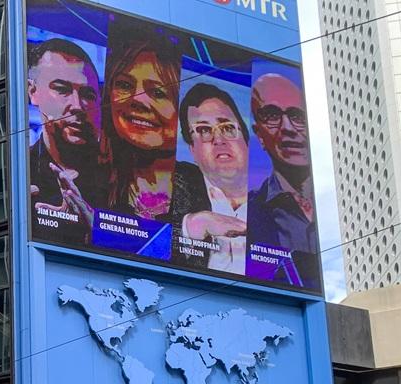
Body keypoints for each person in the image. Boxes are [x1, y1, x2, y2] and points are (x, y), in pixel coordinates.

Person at [247, 72, 320, 289]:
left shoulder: (341, 207)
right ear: (259, 135)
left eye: (297, 116)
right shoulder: (248, 214)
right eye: (272, 115)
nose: (287, 127)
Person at [27, 37, 104, 240]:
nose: (78, 106)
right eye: (62, 89)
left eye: (88, 95)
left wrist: (96, 233)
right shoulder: (21, 174)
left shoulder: (123, 181)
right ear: (33, 92)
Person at [100, 30, 181, 221]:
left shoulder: (203, 188)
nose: (137, 100)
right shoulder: (90, 178)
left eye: (158, 93)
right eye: (125, 85)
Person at [170, 83, 251, 274]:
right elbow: (136, 239)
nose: (219, 139)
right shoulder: (172, 182)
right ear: (192, 150)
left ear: (245, 139)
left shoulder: (278, 200)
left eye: (227, 127)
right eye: (204, 130)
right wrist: (192, 227)